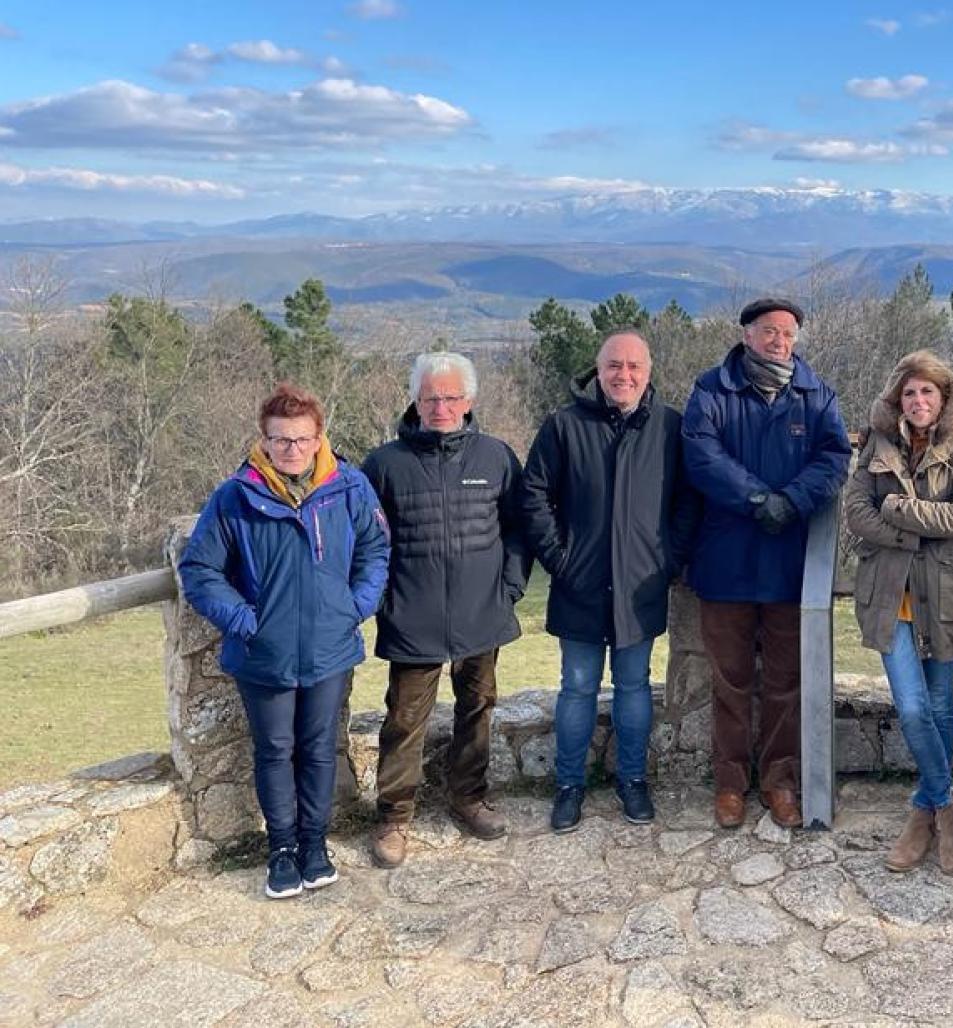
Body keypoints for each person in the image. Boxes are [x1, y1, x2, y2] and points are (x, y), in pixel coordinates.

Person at [178, 383, 389, 899]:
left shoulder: (349, 487)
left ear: (319, 438)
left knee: (318, 749)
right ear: (264, 441)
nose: (291, 449)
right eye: (280, 439)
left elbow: (376, 550)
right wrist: (246, 622)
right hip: (263, 653)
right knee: (274, 749)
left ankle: (315, 844)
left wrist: (354, 607)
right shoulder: (236, 497)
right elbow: (200, 569)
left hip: (329, 647)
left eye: (301, 439)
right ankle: (282, 849)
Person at [682, 298, 851, 829]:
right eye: (769, 331)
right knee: (729, 680)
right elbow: (702, 457)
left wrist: (794, 500)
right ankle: (730, 782)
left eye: (788, 333)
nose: (779, 341)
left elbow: (835, 458)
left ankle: (781, 781)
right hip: (725, 562)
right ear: (747, 335)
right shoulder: (711, 390)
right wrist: (759, 500)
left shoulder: (815, 394)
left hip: (788, 564)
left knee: (784, 682)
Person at [521, 330, 698, 832]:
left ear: (649, 372)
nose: (624, 375)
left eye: (634, 366)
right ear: (598, 370)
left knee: (635, 686)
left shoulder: (670, 426)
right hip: (579, 583)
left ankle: (633, 781)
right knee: (576, 688)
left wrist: (667, 558)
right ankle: (569, 785)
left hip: (640, 585)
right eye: (614, 365)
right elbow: (532, 494)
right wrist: (560, 557)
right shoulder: (564, 425)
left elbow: (688, 502)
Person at [361, 352, 530, 868]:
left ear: (470, 401)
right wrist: (384, 601)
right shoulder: (384, 465)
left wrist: (511, 588)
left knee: (477, 710)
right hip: (413, 615)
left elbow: (520, 529)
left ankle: (468, 798)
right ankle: (394, 816)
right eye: (431, 397)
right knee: (405, 718)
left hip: (483, 611)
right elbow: (368, 539)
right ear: (415, 399)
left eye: (451, 396)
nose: (441, 406)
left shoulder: (496, 457)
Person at [844, 350, 953, 875]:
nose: (919, 400)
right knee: (911, 705)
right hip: (890, 597)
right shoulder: (876, 443)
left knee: (942, 705)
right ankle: (948, 805)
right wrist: (910, 534)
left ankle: (924, 814)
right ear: (896, 400)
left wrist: (897, 510)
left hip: (944, 596)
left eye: (928, 391)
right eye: (910, 393)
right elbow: (855, 512)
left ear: (944, 398)